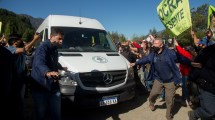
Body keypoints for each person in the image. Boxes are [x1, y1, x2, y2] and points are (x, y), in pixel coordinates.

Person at [130, 38, 190, 120]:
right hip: (159, 80)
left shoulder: (170, 53)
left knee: (169, 100)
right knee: (152, 94)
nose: (153, 45)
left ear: (161, 45)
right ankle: (151, 103)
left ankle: (168, 115)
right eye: (153, 43)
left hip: (170, 81)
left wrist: (191, 62)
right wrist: (135, 63)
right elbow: (145, 59)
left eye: (156, 43)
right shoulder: (153, 54)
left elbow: (181, 58)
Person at [31, 28, 64, 120]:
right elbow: (39, 63)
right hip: (40, 86)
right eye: (59, 39)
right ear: (51, 37)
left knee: (56, 115)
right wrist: (47, 72)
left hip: (53, 86)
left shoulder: (55, 49)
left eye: (62, 39)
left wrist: (61, 67)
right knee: (41, 115)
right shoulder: (42, 48)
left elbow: (54, 62)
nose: (61, 42)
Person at [6, 33, 40, 119]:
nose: (22, 41)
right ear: (15, 42)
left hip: (21, 79)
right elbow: (25, 49)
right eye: (20, 40)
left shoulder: (17, 48)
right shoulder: (9, 49)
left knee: (20, 100)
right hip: (14, 81)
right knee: (16, 101)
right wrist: (34, 39)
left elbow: (26, 48)